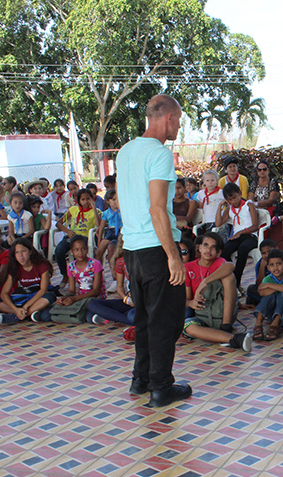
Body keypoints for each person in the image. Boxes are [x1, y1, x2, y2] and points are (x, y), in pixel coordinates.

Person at [116, 94, 192, 407]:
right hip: (155, 248)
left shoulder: (126, 151)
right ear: (168, 118)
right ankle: (161, 387)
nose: (179, 128)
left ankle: (141, 379)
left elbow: (125, 200)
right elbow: (158, 209)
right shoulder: (159, 154)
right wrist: (173, 256)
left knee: (146, 318)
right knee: (167, 321)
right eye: (179, 121)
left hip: (132, 249)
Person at [183, 232, 250, 351]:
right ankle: (234, 339)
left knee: (228, 277)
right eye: (205, 245)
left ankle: (226, 327)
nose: (208, 250)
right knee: (188, 327)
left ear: (218, 252)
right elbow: (187, 299)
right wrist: (191, 303)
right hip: (201, 314)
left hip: (221, 313)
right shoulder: (188, 268)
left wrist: (205, 282)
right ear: (199, 247)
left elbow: (230, 266)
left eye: (213, 247)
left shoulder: (219, 262)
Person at [0, 238, 56, 324]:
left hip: (38, 297)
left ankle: (16, 317)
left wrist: (26, 306)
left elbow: (43, 290)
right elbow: (4, 293)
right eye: (17, 252)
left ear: (30, 252)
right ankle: (24, 314)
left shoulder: (41, 265)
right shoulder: (15, 268)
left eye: (23, 251)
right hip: (24, 297)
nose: (21, 256)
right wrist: (15, 309)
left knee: (50, 297)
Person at [54, 188, 100, 287]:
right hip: (71, 236)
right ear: (78, 201)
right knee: (59, 251)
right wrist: (68, 231)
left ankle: (81, 278)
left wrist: (94, 208)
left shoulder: (96, 211)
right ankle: (65, 275)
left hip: (85, 238)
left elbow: (98, 225)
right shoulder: (73, 210)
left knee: (78, 253)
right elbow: (59, 223)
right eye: (83, 199)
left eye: (88, 199)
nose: (86, 201)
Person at [87, 239, 135, 332]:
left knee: (132, 316)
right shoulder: (121, 261)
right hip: (131, 301)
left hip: (144, 303)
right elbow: (119, 286)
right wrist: (127, 299)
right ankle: (126, 319)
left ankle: (113, 317)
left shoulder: (143, 260)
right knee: (92, 304)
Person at [51, 235, 103, 322]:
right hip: (80, 299)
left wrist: (75, 299)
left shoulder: (95, 264)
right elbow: (72, 290)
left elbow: (96, 291)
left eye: (83, 249)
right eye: (76, 250)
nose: (80, 253)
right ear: (72, 251)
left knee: (89, 316)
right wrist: (64, 298)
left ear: (87, 249)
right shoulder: (71, 267)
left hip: (95, 299)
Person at [217, 182, 259, 287]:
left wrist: (241, 232)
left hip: (250, 235)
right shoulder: (229, 208)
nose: (233, 201)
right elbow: (218, 223)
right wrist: (219, 207)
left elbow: (255, 225)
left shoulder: (248, 205)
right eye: (229, 200)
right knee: (225, 250)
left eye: (234, 198)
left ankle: (237, 280)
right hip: (238, 236)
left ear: (239, 193)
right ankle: (231, 275)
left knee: (243, 249)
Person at [253, 249, 283, 341]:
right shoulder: (267, 278)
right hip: (270, 311)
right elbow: (261, 292)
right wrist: (281, 288)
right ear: (268, 268)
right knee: (269, 296)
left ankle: (275, 324)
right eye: (272, 265)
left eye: (279, 264)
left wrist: (268, 286)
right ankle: (258, 324)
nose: (275, 267)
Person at [95, 189, 122, 272]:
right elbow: (101, 227)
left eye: (117, 199)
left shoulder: (122, 211)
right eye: (113, 200)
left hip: (121, 232)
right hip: (110, 232)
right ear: (107, 201)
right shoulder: (106, 213)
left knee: (112, 251)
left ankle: (115, 275)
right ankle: (98, 272)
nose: (115, 202)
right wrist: (99, 242)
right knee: (99, 252)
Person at [194, 169, 224, 236]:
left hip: (218, 220)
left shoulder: (221, 193)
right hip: (207, 221)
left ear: (217, 181)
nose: (210, 182)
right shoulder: (201, 193)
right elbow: (200, 205)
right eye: (207, 180)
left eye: (212, 180)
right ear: (204, 182)